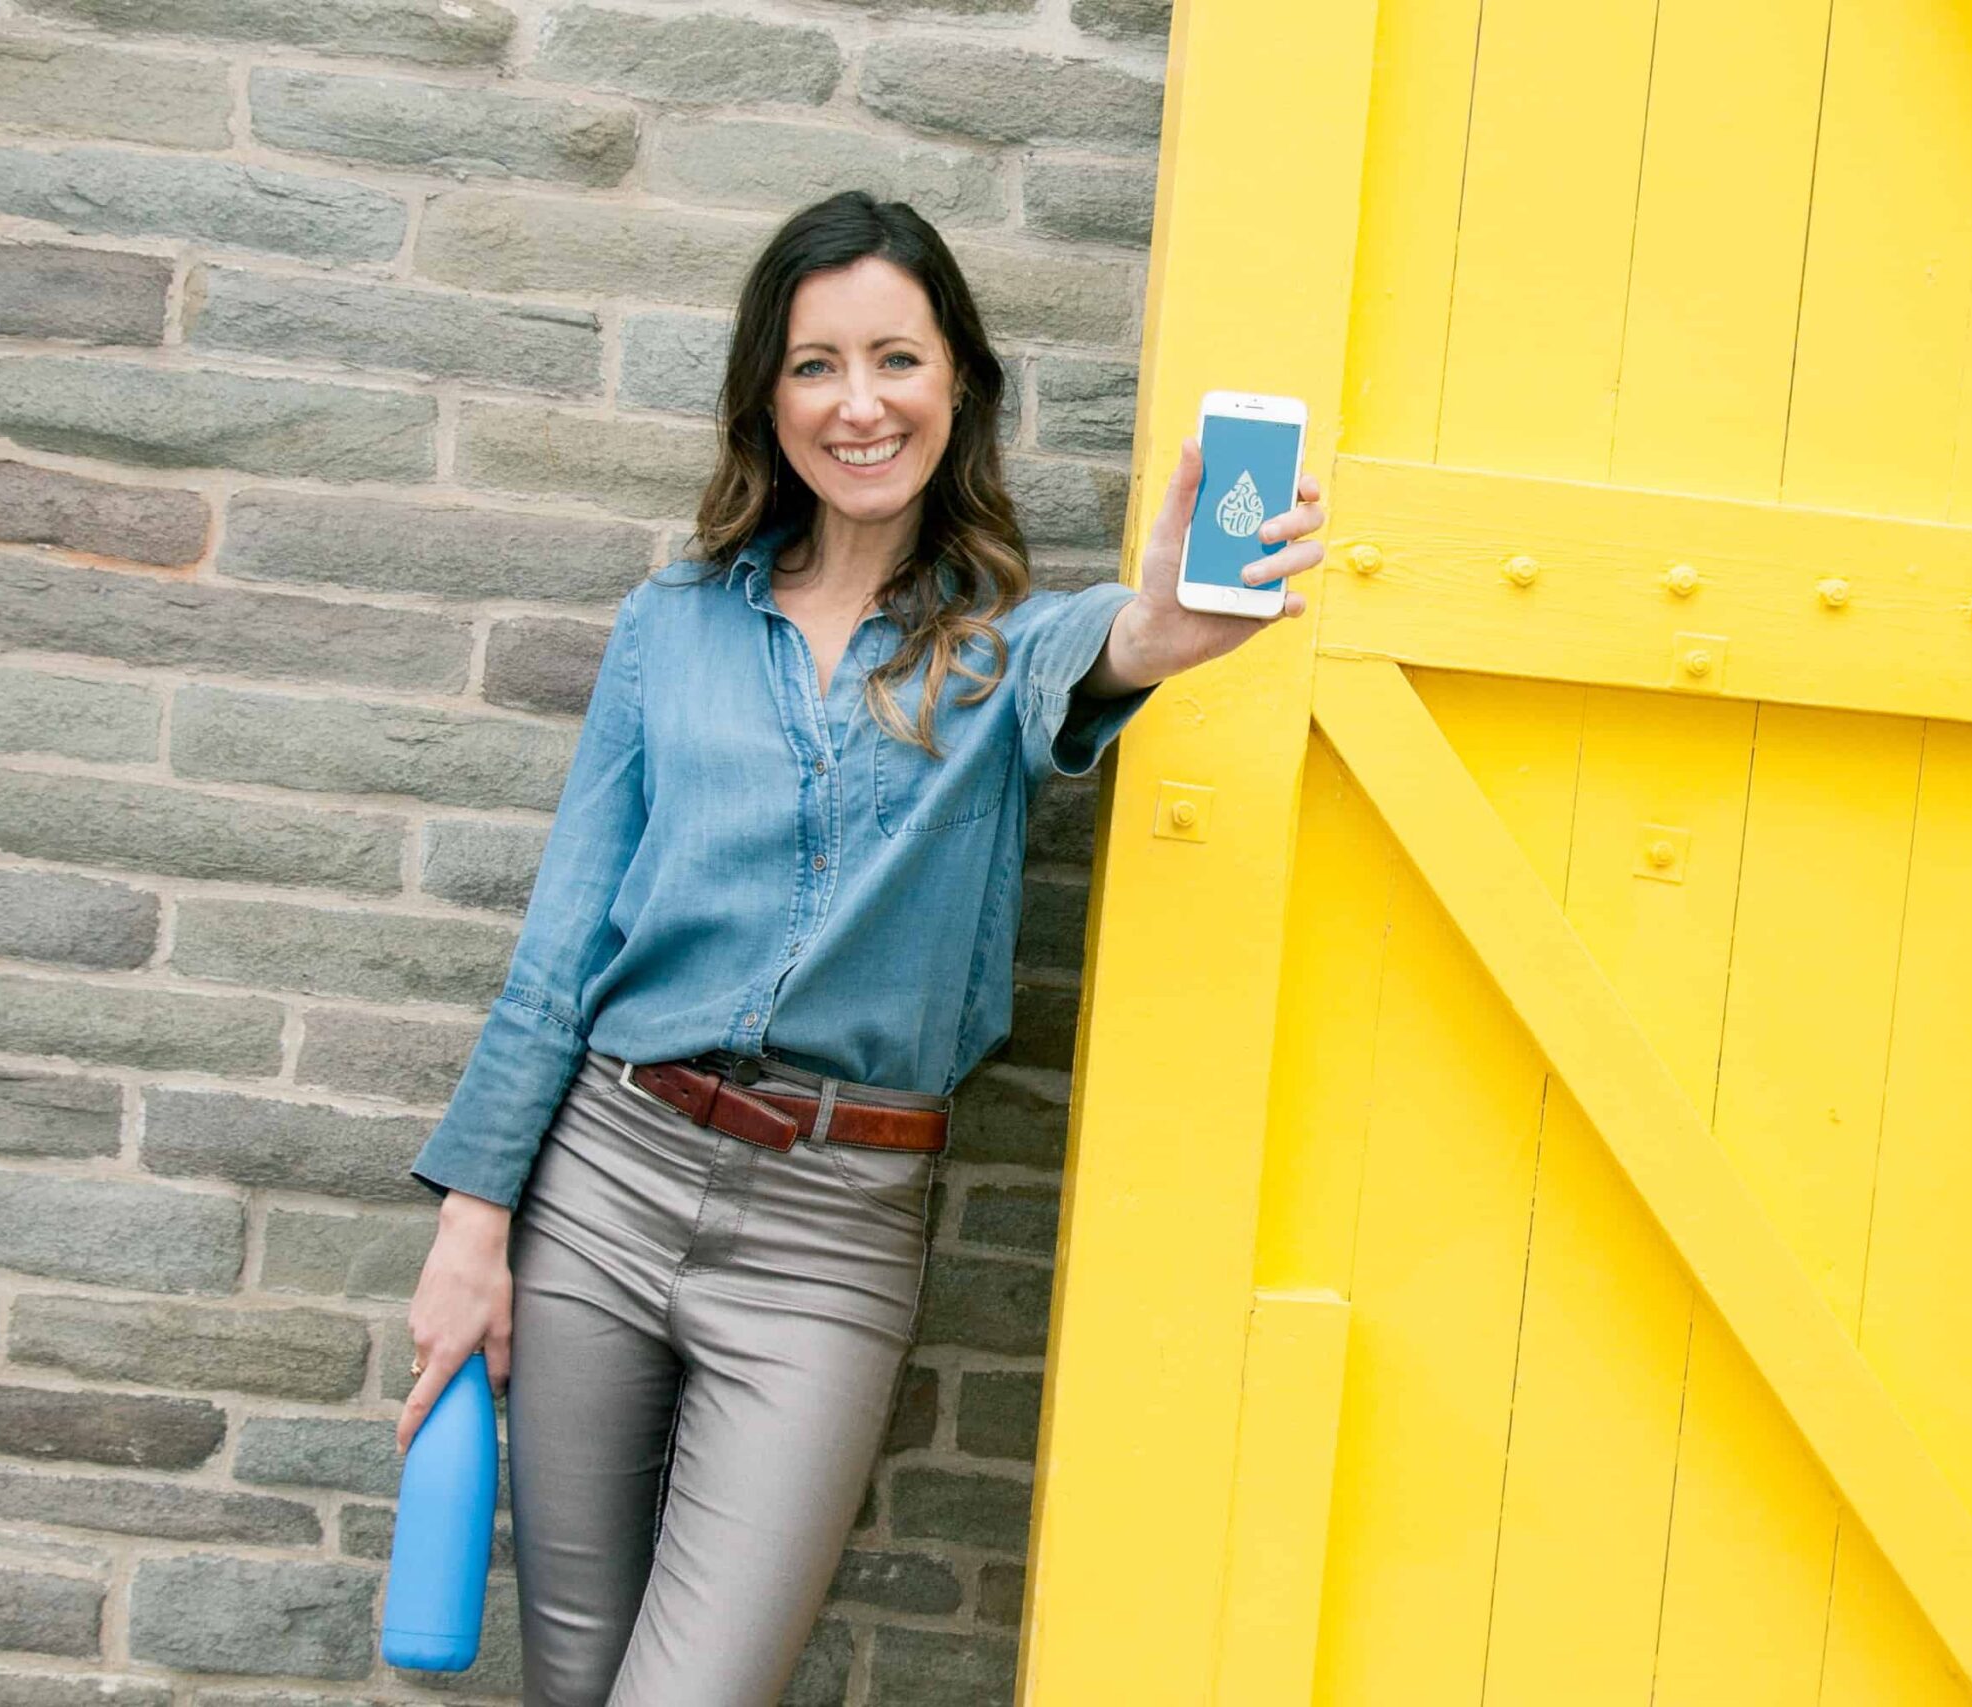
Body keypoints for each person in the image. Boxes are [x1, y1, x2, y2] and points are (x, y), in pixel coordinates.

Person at [392, 190, 1328, 1707]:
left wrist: (1169, 618)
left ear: (958, 387)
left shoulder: (1005, 646)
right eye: (816, 363)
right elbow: (563, 943)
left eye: (897, 358)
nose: (860, 401)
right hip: (606, 1184)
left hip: (834, 1230)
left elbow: (1127, 644)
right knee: (574, 1675)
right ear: (770, 395)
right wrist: (470, 1227)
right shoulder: (671, 624)